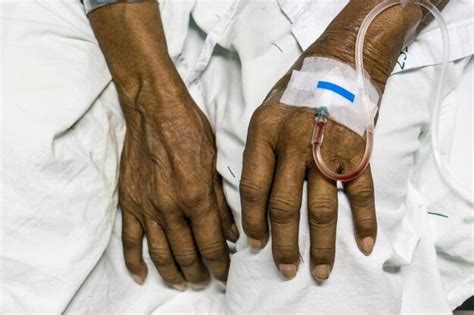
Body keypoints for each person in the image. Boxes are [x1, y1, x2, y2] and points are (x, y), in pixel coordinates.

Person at [1, 0, 472, 313]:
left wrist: (351, 57)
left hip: (361, 16)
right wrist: (150, 96)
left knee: (316, 223)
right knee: (20, 158)